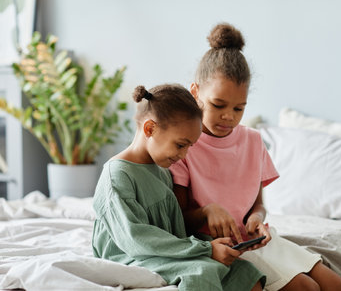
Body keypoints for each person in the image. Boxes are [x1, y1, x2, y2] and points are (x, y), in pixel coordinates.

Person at [170, 23, 341, 291]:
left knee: (334, 284)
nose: (229, 116)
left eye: (239, 108)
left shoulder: (252, 140)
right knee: (305, 288)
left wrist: (256, 220)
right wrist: (207, 211)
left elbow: (258, 205)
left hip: (255, 240)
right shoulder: (185, 145)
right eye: (219, 105)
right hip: (221, 248)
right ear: (195, 92)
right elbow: (178, 219)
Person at [92, 84, 266, 291]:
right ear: (150, 129)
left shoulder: (162, 171)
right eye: (180, 145)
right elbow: (135, 238)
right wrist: (205, 250)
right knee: (202, 271)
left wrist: (215, 244)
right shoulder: (118, 176)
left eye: (190, 147)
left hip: (166, 252)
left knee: (244, 271)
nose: (184, 155)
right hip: (129, 255)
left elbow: (174, 230)